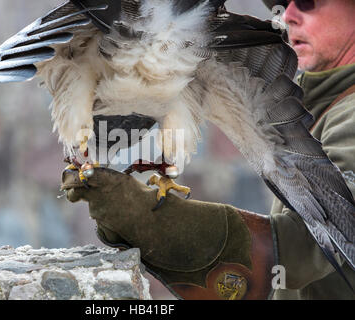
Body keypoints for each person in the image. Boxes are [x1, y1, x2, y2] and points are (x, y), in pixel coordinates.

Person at [62, 0, 355, 300]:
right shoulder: (314, 102)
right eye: (282, 3)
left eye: (307, 2)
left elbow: (305, 247)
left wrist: (154, 223)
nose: (288, 15)